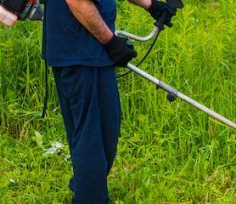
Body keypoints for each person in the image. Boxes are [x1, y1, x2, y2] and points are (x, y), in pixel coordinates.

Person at [42, 0, 174, 203]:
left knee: (100, 132)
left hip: (87, 53)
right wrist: (110, 41)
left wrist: (151, 5)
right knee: (93, 136)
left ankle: (86, 186)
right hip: (81, 54)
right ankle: (90, 197)